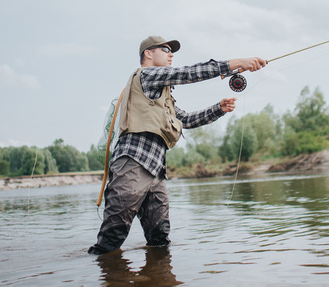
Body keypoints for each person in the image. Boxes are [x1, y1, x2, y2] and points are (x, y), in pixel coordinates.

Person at [89, 35, 267, 255]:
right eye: (165, 49)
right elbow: (187, 74)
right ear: (148, 53)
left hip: (156, 172)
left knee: (160, 239)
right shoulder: (146, 75)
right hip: (132, 165)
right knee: (112, 238)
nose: (170, 54)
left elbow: (186, 121)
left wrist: (219, 109)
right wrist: (237, 62)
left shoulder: (164, 95)